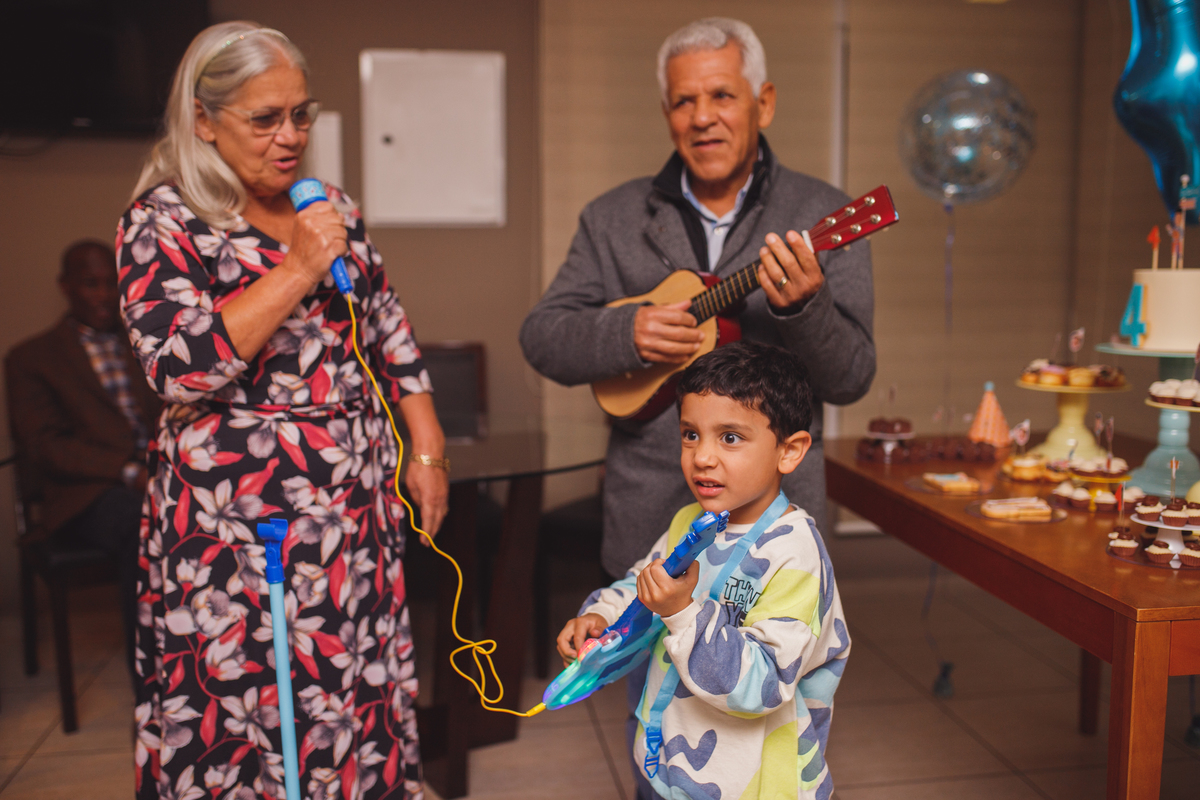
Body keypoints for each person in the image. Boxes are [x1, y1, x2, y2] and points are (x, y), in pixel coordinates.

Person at [116, 22, 447, 799]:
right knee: (250, 698)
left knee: (352, 679)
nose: (291, 136)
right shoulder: (163, 219)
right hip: (235, 523)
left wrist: (425, 446)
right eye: (265, 119)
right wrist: (298, 267)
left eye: (301, 114)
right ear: (204, 120)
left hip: (352, 509)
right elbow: (177, 367)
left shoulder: (328, 206)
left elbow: (388, 327)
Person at [520, 17, 875, 580]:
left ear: (764, 103)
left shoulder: (822, 214)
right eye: (684, 101)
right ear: (667, 114)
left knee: (773, 639)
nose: (702, 117)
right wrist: (626, 333)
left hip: (777, 528)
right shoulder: (611, 217)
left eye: (722, 96)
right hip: (647, 515)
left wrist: (804, 310)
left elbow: (851, 378)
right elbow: (542, 336)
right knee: (637, 639)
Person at [558, 341, 849, 800]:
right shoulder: (688, 522)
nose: (702, 457)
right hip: (670, 773)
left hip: (751, 787)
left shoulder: (796, 556)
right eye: (690, 434)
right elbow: (643, 583)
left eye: (730, 437)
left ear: (789, 451)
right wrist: (601, 615)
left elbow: (761, 687)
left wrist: (682, 612)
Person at [5, 240, 161, 680]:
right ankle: (149, 679)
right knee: (141, 519)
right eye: (92, 283)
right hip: (85, 497)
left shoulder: (145, 343)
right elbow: (45, 445)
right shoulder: (32, 358)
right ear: (66, 286)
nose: (104, 294)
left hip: (157, 478)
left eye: (112, 283)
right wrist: (128, 472)